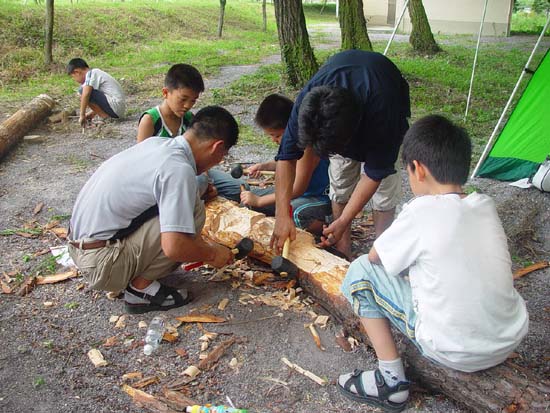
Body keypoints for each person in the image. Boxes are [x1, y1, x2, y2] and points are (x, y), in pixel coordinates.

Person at [337, 115, 529, 411]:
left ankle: (390, 381)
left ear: (419, 170)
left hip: (453, 348)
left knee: (360, 271)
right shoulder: (484, 205)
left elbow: (376, 257)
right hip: (508, 339)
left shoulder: (422, 210)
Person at [67, 106, 239, 314]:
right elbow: (175, 247)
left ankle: (134, 271)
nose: (219, 161)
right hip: (101, 264)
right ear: (217, 147)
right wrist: (212, 253)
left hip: (81, 249)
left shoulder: (157, 144)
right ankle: (141, 290)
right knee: (194, 210)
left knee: (183, 207)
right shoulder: (178, 169)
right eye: (223, 155)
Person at [271, 50, 410, 259]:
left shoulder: (385, 113)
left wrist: (345, 219)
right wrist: (282, 215)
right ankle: (342, 248)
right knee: (340, 182)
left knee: (384, 192)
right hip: (346, 110)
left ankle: (381, 253)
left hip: (382, 97)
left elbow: (374, 174)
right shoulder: (308, 105)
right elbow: (286, 158)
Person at [208, 94, 332, 235]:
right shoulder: (291, 141)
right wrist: (264, 166)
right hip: (298, 195)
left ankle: (324, 224)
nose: (274, 140)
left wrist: (260, 201)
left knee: (295, 212)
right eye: (270, 136)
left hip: (317, 198)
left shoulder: (308, 147)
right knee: (248, 199)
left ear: (291, 126)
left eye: (277, 135)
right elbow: (286, 163)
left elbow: (298, 189)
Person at [137, 64, 204, 142]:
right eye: (183, 99)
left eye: (193, 100)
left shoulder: (189, 119)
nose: (188, 105)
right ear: (165, 93)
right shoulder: (150, 121)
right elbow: (141, 153)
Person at [67, 58, 126, 128]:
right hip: (118, 108)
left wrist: (82, 115)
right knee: (85, 90)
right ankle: (106, 117)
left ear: (77, 72)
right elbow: (101, 100)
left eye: (73, 77)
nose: (75, 80)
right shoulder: (95, 74)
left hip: (116, 106)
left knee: (82, 91)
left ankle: (106, 118)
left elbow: (86, 94)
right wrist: (91, 113)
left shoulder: (91, 73)